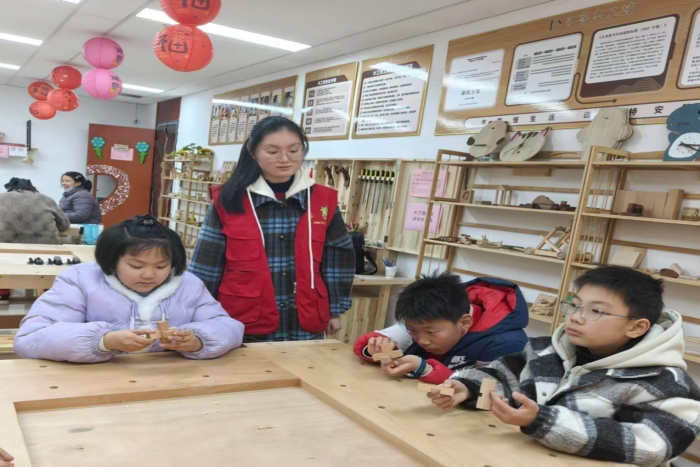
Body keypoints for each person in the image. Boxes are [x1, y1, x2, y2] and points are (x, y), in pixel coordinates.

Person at [427, 266, 700, 466]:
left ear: (636, 327)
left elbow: (652, 446)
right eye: (574, 305)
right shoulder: (546, 350)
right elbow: (503, 375)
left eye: (596, 311)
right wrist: (468, 386)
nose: (575, 318)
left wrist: (542, 421)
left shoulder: (667, 383)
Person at [189, 116, 355, 342]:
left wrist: (335, 309)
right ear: (252, 151)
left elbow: (337, 257)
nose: (285, 159)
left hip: (304, 318)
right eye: (272, 151)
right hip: (244, 318)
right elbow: (206, 264)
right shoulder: (228, 200)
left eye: (294, 150)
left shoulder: (322, 200)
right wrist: (199, 313)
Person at [14, 215, 244, 363]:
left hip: (172, 380)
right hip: (94, 383)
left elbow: (228, 327)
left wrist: (199, 341)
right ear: (112, 259)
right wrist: (104, 341)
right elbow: (30, 339)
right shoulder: (80, 281)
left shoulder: (188, 284)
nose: (149, 275)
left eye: (161, 266)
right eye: (136, 266)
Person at [353, 273, 528, 383]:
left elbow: (491, 391)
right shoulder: (425, 320)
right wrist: (376, 349)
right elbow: (365, 343)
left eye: (431, 332)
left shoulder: (506, 344)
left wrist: (426, 369)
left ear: (465, 322)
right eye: (412, 330)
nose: (422, 341)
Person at [0, 178, 71, 304]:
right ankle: (48, 291)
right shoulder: (46, 199)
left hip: (6, 248)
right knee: (49, 267)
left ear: (10, 187)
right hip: (45, 249)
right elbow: (64, 225)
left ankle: (3, 293)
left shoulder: (2, 198)